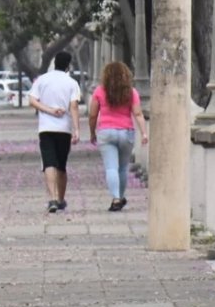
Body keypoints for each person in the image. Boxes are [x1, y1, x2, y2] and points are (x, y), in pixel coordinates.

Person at [88, 61, 148, 212]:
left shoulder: (100, 91)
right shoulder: (131, 92)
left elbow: (93, 115)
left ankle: (116, 198)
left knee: (111, 168)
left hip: (106, 132)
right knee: (122, 168)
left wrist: (92, 132)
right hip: (126, 132)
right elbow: (138, 113)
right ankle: (120, 197)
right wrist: (144, 133)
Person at [29, 51, 80, 213]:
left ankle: (51, 198)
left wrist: (48, 110)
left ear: (55, 63)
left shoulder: (42, 80)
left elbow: (32, 101)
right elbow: (73, 107)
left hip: (45, 129)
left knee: (49, 163)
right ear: (68, 65)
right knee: (61, 165)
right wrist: (76, 129)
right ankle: (60, 199)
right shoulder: (72, 83)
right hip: (63, 129)